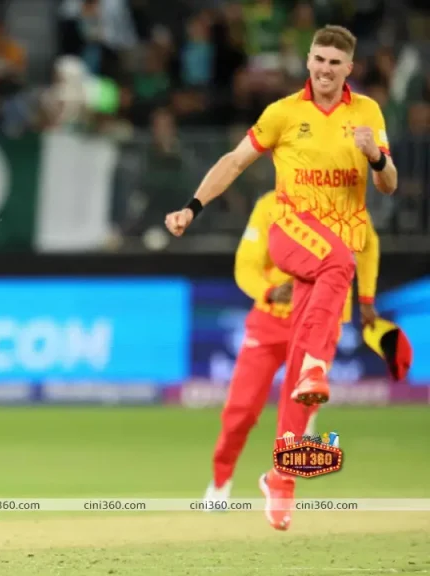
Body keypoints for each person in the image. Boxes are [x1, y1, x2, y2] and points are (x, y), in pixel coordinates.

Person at [164, 25, 397, 530]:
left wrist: (376, 156)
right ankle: (219, 481)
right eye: (318, 59)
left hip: (327, 278)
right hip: (291, 234)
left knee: (303, 391)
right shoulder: (284, 113)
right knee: (338, 264)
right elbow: (235, 161)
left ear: (349, 68)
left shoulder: (368, 114)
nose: (325, 69)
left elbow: (388, 182)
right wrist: (192, 207)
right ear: (308, 60)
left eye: (335, 62)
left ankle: (280, 480)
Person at [203, 191, 381, 527]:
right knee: (240, 412)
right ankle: (220, 480)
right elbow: (246, 265)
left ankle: (281, 484)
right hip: (271, 321)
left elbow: (368, 247)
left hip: (320, 323)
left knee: (298, 411)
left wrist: (367, 297)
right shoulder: (271, 205)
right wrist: (269, 291)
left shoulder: (350, 205)